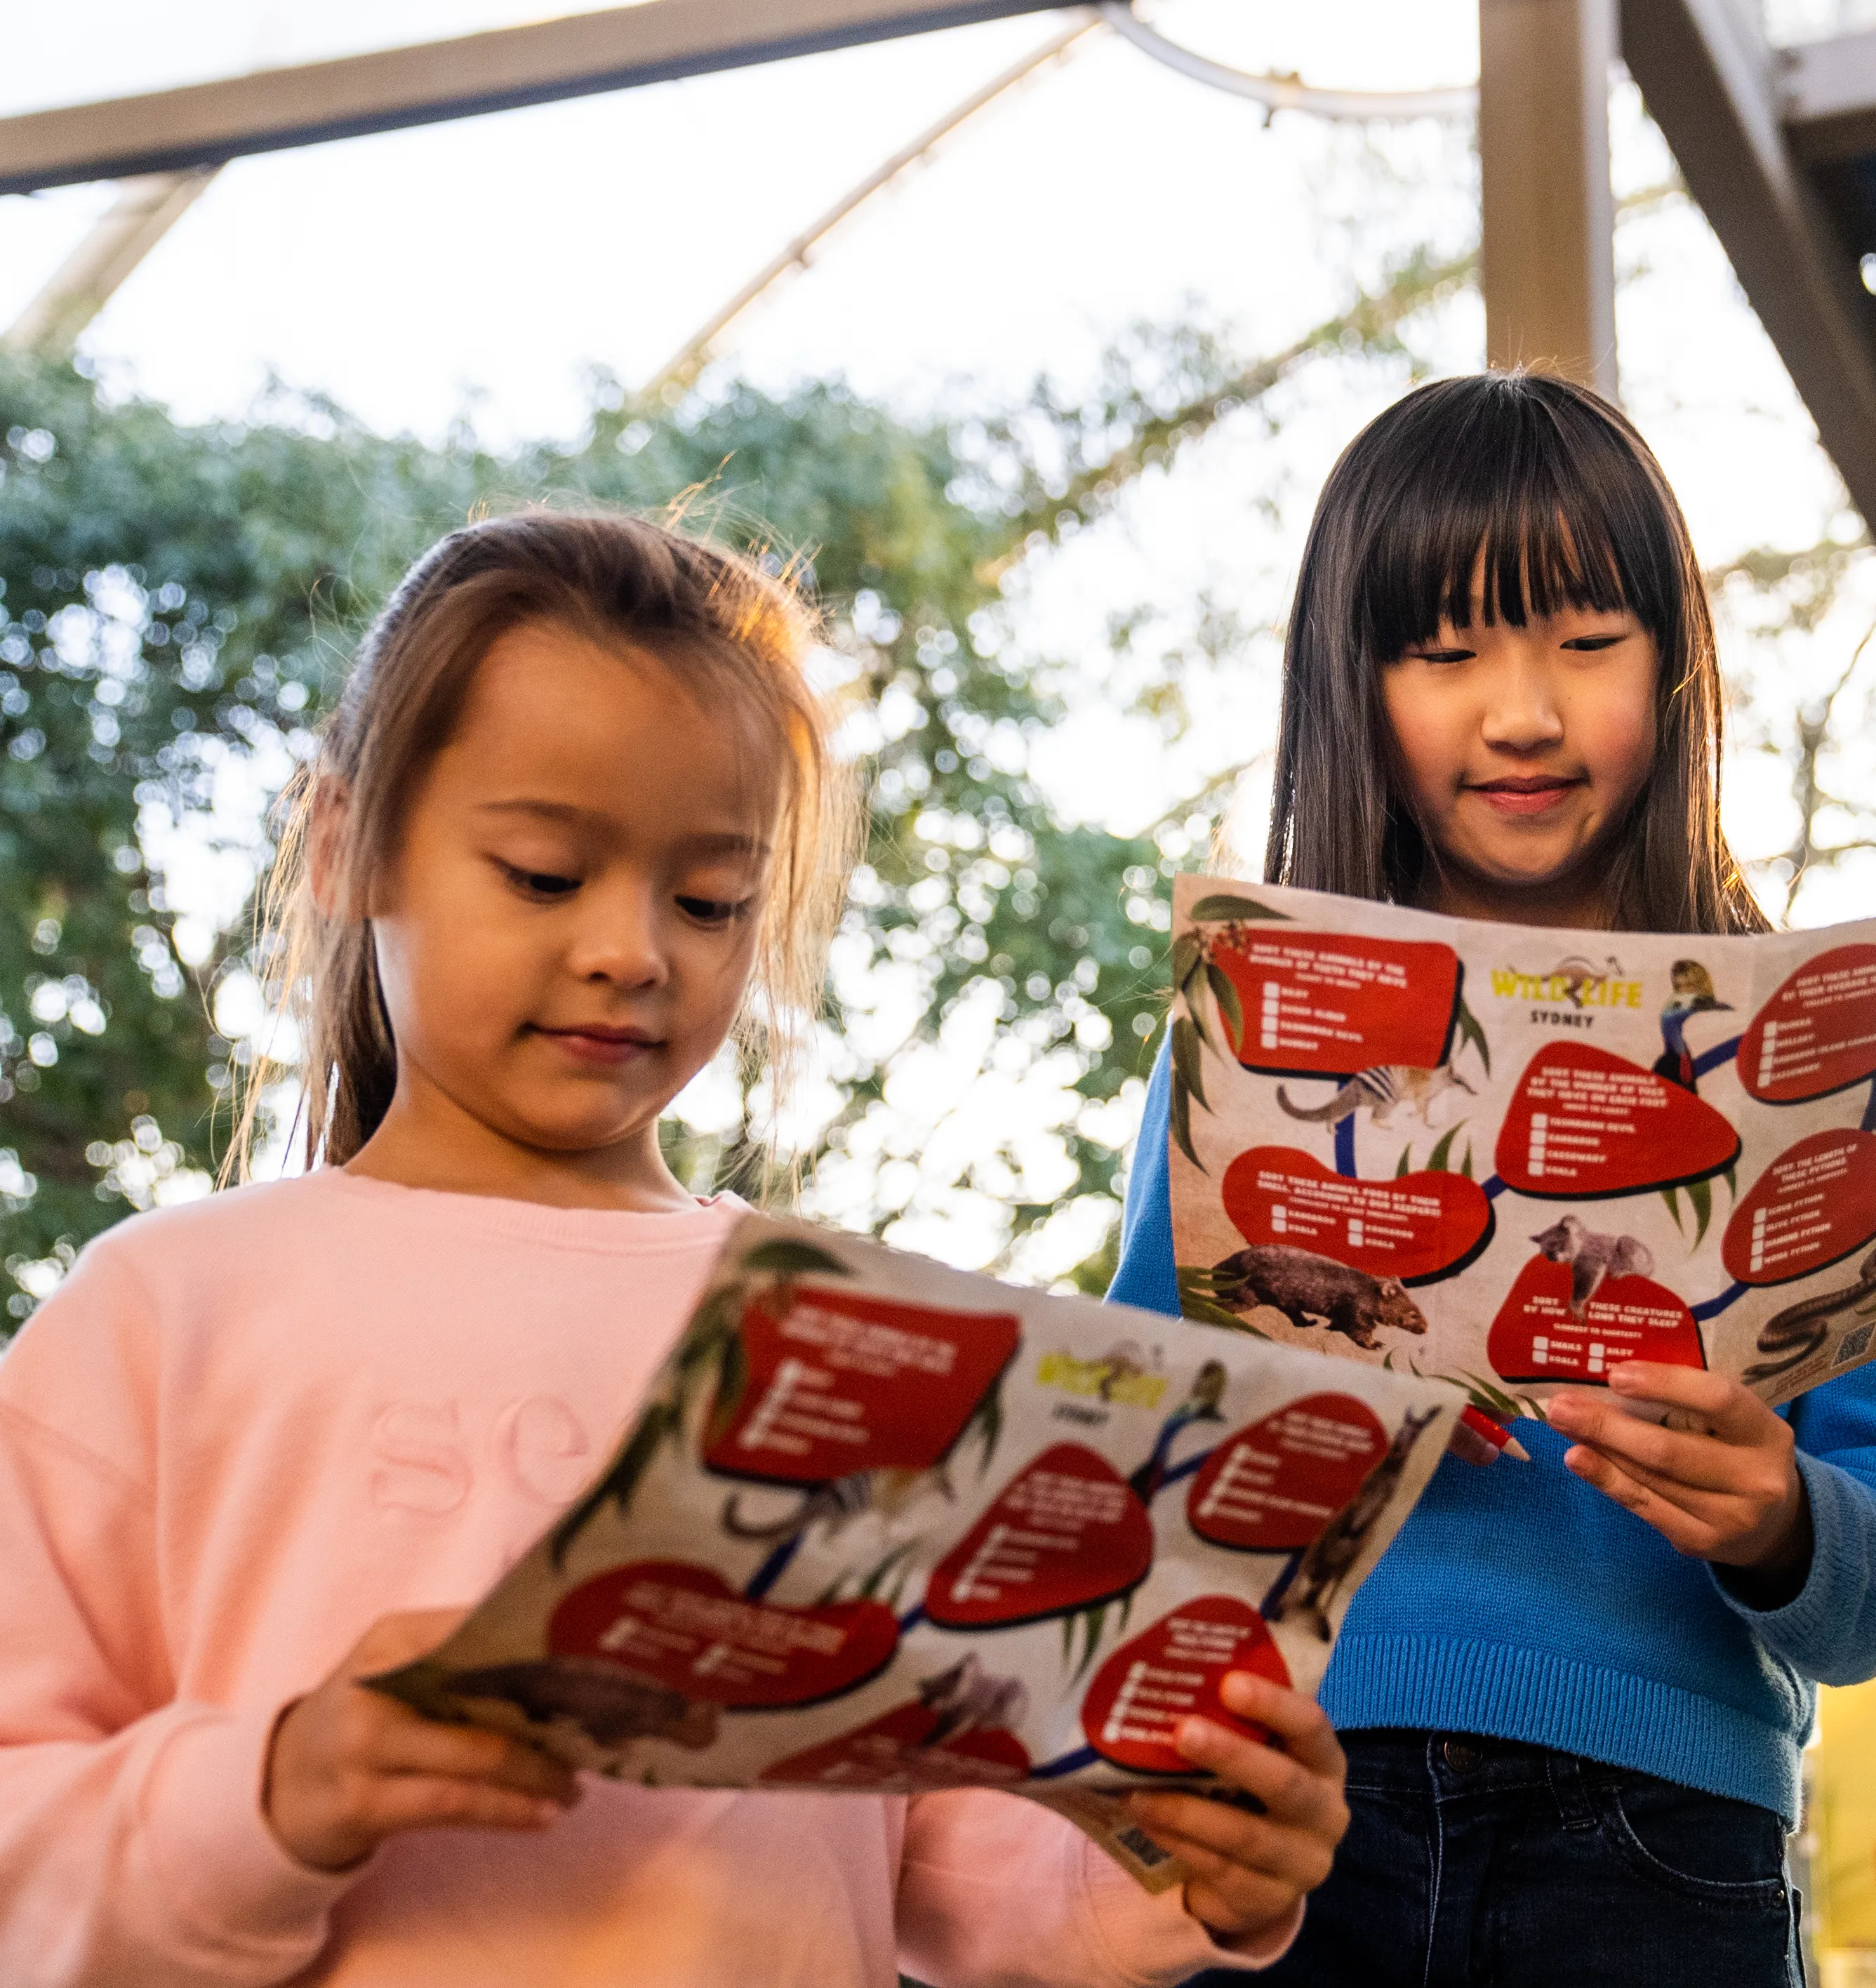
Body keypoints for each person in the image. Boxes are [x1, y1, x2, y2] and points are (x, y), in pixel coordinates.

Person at [0, 510, 1343, 1987]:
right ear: (344, 847)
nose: (634, 951)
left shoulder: (859, 1339)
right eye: (541, 872)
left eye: (709, 900)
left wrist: (1190, 1856)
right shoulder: (167, 1308)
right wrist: (272, 1789)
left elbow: (959, 1860)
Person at [1107, 373, 1876, 1986]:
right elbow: (1136, 1452)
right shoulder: (1242, 1041)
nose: (1520, 712)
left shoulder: (1811, 1060)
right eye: (1444, 651)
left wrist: (1775, 1520)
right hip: (1286, 1812)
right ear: (1350, 683)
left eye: (1584, 643)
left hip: (1662, 1836)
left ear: (1676, 665)